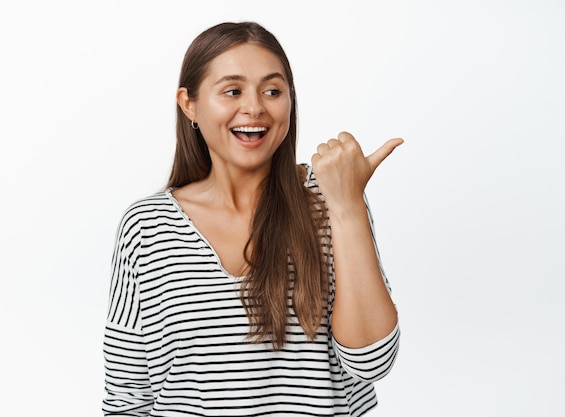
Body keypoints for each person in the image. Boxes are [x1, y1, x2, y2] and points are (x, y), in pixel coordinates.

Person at [102, 21, 402, 417]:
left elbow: (372, 362)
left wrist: (346, 205)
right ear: (189, 103)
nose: (255, 107)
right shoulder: (147, 226)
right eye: (232, 90)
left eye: (273, 91)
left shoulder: (331, 198)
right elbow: (127, 397)